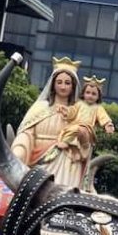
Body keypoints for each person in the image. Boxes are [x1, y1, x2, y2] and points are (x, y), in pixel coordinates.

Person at [10, 56, 87, 188]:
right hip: (38, 163)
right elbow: (26, 134)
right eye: (59, 82)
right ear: (53, 84)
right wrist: (19, 150)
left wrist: (79, 134)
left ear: (73, 86)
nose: (63, 86)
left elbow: (86, 141)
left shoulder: (79, 111)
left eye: (67, 83)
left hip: (66, 163)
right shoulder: (40, 108)